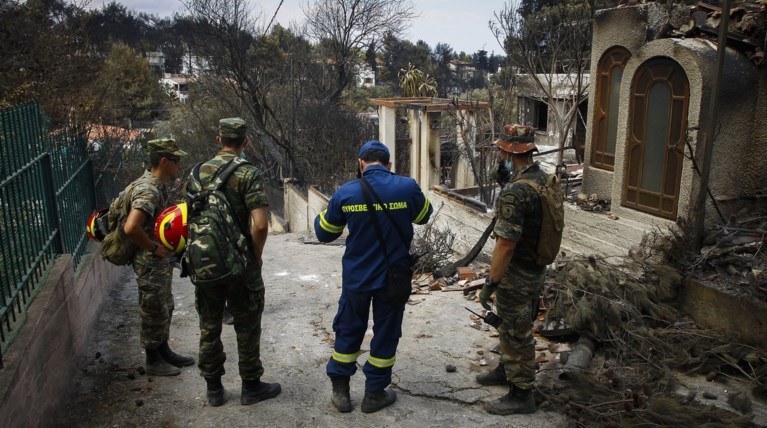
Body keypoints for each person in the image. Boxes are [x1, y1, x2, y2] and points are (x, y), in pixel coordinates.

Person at [314, 140, 433, 414]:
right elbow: (424, 215)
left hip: (357, 278)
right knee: (387, 333)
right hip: (394, 278)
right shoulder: (407, 186)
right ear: (389, 164)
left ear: (361, 164)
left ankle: (341, 392)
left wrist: (327, 212)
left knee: (348, 328)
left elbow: (324, 233)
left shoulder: (346, 193)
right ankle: (374, 394)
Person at [187, 117, 281, 407]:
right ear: (245, 142)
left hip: (205, 261)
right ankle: (251, 386)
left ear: (218, 140)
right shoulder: (248, 173)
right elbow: (262, 225)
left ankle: (214, 389)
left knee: (209, 324)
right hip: (241, 263)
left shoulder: (196, 172)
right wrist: (256, 255)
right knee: (247, 323)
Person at [476, 124, 548, 415]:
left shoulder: (516, 193)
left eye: (501, 151)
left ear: (510, 152)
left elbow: (505, 245)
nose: (498, 155)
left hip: (516, 273)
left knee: (516, 333)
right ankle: (507, 370)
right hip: (535, 268)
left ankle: (522, 394)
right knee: (514, 326)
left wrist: (491, 282)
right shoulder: (542, 179)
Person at [122, 138, 195, 376]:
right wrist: (153, 249)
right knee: (153, 307)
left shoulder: (157, 185)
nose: (179, 166)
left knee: (165, 305)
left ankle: (163, 350)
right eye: (176, 161)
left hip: (158, 261)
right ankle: (153, 360)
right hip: (149, 261)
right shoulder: (148, 189)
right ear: (164, 161)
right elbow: (131, 228)